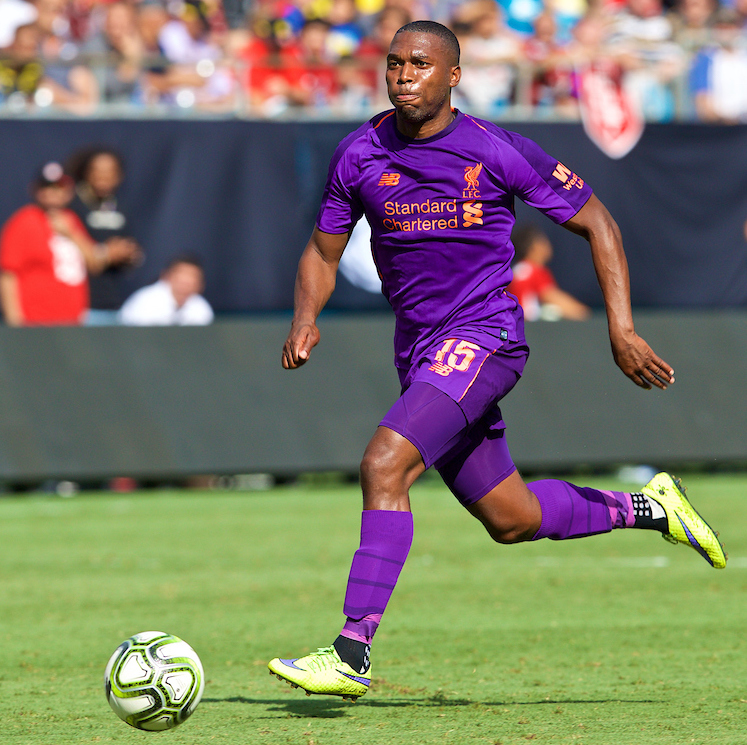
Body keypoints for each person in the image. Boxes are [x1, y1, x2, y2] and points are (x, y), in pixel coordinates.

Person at [268, 20, 726, 702]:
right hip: (419, 351)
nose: (402, 74)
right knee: (510, 518)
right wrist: (306, 316)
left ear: (453, 76)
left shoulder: (495, 149)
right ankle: (651, 507)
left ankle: (350, 650)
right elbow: (321, 251)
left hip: (483, 338)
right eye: (394, 62)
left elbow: (598, 221)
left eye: (419, 64)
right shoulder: (358, 153)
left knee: (382, 463)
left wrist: (620, 329)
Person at [0, 161, 137, 326]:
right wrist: (15, 321)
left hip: (72, 321)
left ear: (69, 191)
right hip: (34, 322)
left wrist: (72, 234)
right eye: (47, 187)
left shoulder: (72, 219)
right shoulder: (24, 221)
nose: (53, 193)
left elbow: (95, 263)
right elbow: (8, 275)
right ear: (35, 190)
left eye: (59, 187)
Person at [66, 147, 143, 323]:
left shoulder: (122, 207)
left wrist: (129, 253)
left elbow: (133, 249)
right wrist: (105, 253)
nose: (104, 177)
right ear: (86, 172)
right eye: (98, 171)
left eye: (110, 172)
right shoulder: (73, 206)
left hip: (114, 303)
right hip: (81, 304)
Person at [507, 223, 590, 320]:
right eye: (543, 242)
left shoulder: (513, 271)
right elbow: (559, 301)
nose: (548, 245)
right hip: (529, 329)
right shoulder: (535, 271)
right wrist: (584, 312)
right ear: (535, 247)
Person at [118, 254, 213, 326]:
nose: (186, 282)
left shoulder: (201, 307)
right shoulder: (147, 301)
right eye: (181, 276)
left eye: (192, 277)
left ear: (200, 285)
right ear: (166, 276)